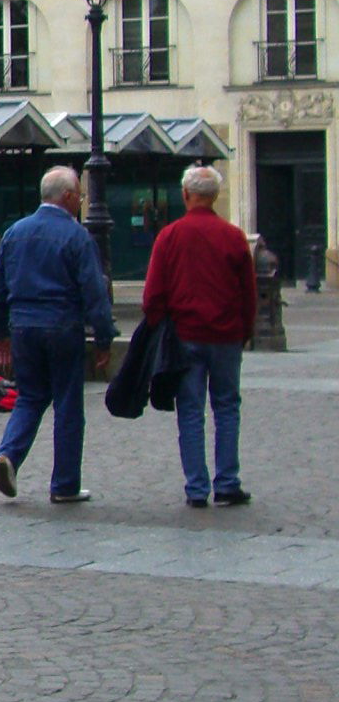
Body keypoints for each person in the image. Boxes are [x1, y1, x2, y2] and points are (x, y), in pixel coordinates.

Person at [0, 166, 115, 503]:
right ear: (69, 196)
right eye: (80, 196)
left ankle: (9, 454)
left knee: (29, 396)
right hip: (62, 325)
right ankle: (65, 483)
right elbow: (93, 290)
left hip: (24, 325)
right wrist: (103, 337)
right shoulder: (76, 236)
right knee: (68, 404)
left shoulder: (15, 232)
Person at [141, 164, 256, 508]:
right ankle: (227, 482)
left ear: (185, 195)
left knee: (190, 410)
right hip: (225, 335)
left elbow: (153, 294)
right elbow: (248, 291)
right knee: (226, 407)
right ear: (215, 196)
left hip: (184, 334)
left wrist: (160, 326)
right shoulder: (233, 236)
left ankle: (195, 487)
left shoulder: (170, 235)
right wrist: (244, 329)